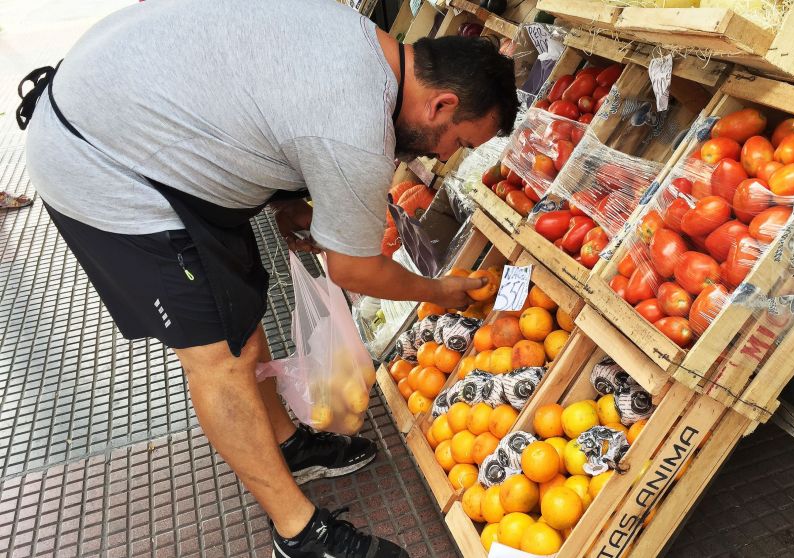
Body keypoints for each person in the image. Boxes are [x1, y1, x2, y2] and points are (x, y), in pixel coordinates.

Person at [17, 0, 518, 556]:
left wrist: (288, 198)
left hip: (133, 116)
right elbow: (353, 268)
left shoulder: (362, 42)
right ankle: (299, 533)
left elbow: (267, 103)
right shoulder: (356, 126)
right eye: (459, 141)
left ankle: (288, 445)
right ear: (441, 103)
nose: (448, 155)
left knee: (240, 315)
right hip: (106, 165)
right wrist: (438, 291)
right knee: (219, 358)